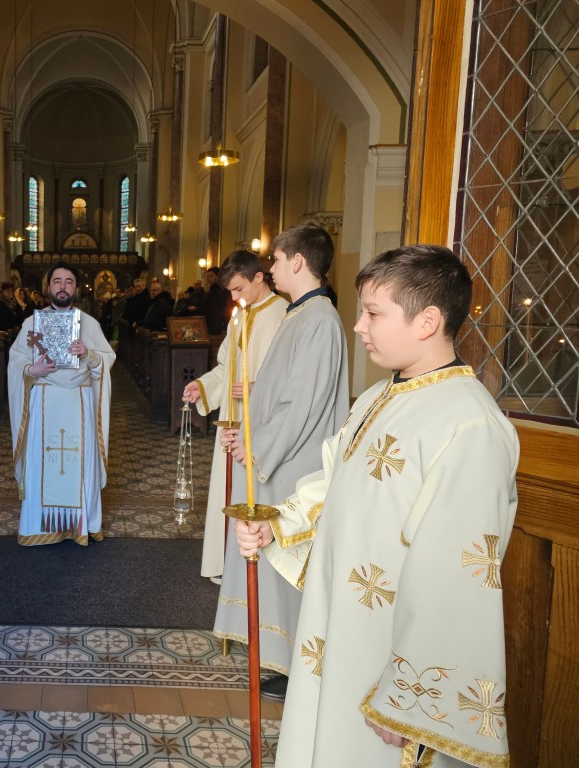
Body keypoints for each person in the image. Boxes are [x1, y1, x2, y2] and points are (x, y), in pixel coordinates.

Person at [238, 245, 518, 767]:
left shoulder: (469, 425)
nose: (359, 326)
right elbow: (337, 482)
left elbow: (457, 576)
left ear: (427, 321)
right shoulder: (378, 396)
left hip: (388, 657)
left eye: (373, 313)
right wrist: (280, 524)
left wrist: (405, 698)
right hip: (340, 626)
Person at [214, 222, 350, 698]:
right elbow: (278, 394)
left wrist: (257, 446)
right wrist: (247, 433)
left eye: (275, 259)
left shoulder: (319, 320)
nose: (269, 267)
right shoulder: (303, 314)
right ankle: (286, 660)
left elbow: (300, 404)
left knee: (289, 564)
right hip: (279, 456)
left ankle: (300, 667)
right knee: (275, 565)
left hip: (293, 465)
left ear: (298, 261)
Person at [182, 250, 287, 583]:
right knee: (228, 488)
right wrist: (203, 386)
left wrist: (259, 386)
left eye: (239, 288)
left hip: (263, 423)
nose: (234, 297)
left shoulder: (284, 314)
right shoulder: (239, 315)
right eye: (230, 291)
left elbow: (292, 375)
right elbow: (226, 366)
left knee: (254, 490)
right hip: (232, 417)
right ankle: (227, 564)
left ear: (259, 277)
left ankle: (252, 570)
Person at [7, 262, 115, 545]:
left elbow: (107, 360)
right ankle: (42, 526)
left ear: (76, 289)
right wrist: (31, 369)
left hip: (80, 399)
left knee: (78, 462)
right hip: (44, 399)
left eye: (69, 281)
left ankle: (79, 525)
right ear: (48, 287)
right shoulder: (32, 323)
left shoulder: (89, 323)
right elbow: (16, 360)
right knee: (44, 460)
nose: (63, 287)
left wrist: (88, 354)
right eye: (57, 281)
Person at [202, 266, 230, 334]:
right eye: (207, 276)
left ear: (218, 277)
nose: (208, 278)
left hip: (215, 325)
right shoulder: (212, 291)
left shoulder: (221, 291)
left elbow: (218, 310)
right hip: (209, 324)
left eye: (211, 276)